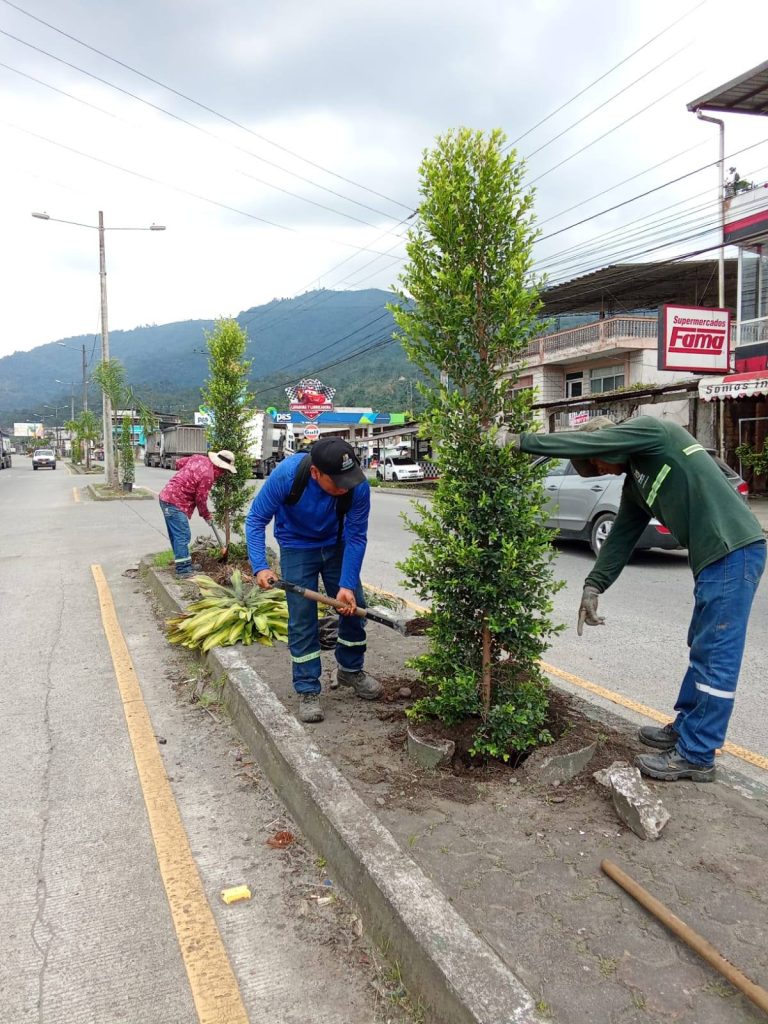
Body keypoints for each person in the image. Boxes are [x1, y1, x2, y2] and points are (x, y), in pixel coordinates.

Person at [511, 415, 765, 783]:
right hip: (715, 558)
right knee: (701, 646)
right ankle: (686, 729)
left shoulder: (655, 433)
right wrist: (593, 586)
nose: (599, 468)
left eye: (597, 459)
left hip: (734, 550)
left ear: (611, 444)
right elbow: (620, 537)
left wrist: (519, 441)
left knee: (716, 656)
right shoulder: (636, 484)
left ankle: (697, 754)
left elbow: (582, 445)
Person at [245, 437, 383, 724]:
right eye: (338, 482)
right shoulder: (287, 475)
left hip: (337, 545)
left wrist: (346, 585)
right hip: (297, 548)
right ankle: (308, 688)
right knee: (302, 619)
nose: (345, 487)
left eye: (349, 479)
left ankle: (350, 670)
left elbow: (357, 536)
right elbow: (256, 519)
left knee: (354, 611)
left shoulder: (357, 486)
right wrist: (260, 567)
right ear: (316, 473)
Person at [158, 450, 236, 577]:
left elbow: (179, 463)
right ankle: (183, 570)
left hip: (166, 497)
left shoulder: (198, 458)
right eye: (224, 471)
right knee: (182, 535)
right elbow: (200, 498)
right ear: (220, 468)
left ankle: (184, 563)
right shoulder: (208, 476)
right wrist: (206, 515)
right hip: (175, 502)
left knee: (177, 535)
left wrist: (189, 474)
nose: (222, 475)